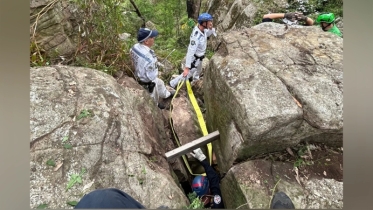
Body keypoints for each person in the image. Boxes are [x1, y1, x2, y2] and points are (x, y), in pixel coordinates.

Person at [130, 28, 175, 110]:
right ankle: (156, 105)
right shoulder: (150, 58)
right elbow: (152, 77)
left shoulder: (135, 47)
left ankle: (167, 94)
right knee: (153, 95)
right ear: (146, 41)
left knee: (160, 83)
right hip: (147, 82)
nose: (154, 39)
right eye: (152, 37)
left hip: (137, 75)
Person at [169, 13, 217, 88]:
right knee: (187, 74)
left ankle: (195, 81)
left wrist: (211, 29)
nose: (211, 22)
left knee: (198, 71)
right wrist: (187, 67)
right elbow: (190, 51)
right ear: (204, 23)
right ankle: (172, 84)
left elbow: (207, 34)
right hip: (195, 59)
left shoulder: (203, 30)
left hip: (200, 57)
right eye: (209, 21)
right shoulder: (196, 36)